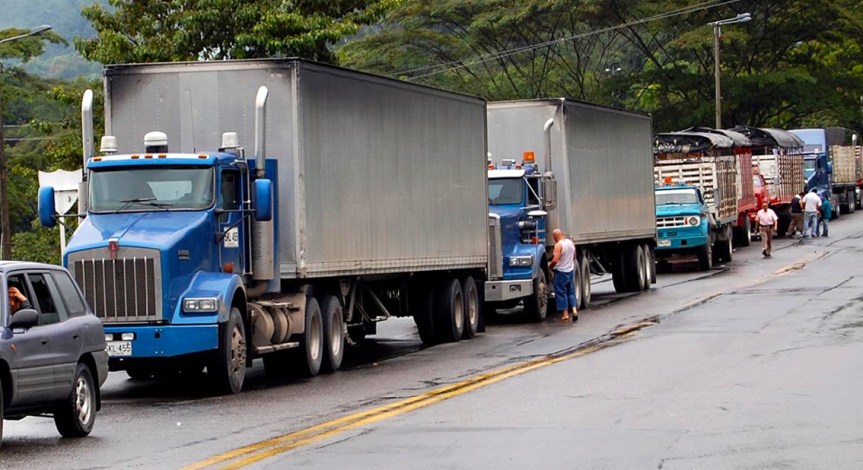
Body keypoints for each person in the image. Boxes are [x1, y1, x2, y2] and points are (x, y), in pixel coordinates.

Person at [548, 228, 578, 323]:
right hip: (570, 270)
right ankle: (574, 310)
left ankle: (565, 314)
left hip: (561, 272)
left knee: (561, 292)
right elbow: (574, 255)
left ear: (554, 237)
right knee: (570, 292)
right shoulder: (570, 242)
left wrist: (550, 266)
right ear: (562, 234)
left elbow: (555, 260)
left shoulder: (558, 245)